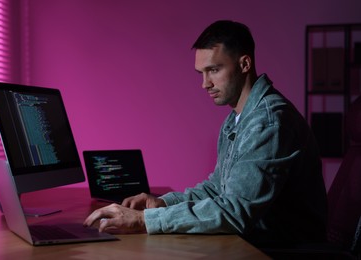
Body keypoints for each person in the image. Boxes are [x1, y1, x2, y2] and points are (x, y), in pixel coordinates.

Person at [84, 20, 328, 248]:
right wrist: (163, 202)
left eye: (213, 70)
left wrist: (145, 220)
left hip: (281, 250)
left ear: (244, 64)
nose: (205, 83)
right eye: (201, 73)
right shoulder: (237, 118)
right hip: (253, 243)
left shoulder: (269, 122)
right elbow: (218, 188)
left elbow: (234, 212)